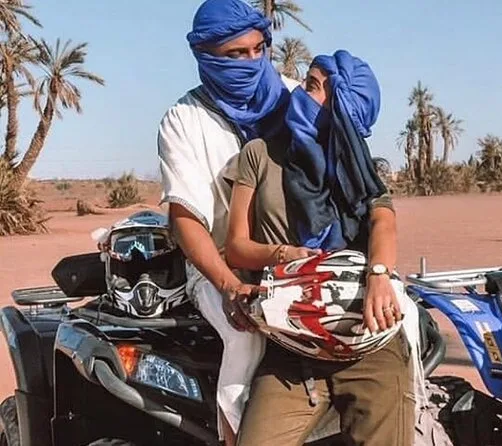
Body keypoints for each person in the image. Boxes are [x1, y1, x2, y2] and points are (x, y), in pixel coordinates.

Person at [226, 50, 416, 446]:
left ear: (340, 111)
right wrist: (284, 255)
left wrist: (379, 275)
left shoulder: (361, 171)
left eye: (311, 87)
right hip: (292, 343)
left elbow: (383, 222)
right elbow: (237, 248)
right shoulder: (260, 154)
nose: (299, 93)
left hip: (368, 342)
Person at [156, 0, 299, 444]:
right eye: (236, 54)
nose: (251, 63)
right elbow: (186, 218)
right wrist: (229, 285)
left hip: (298, 260)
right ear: (206, 56)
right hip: (219, 267)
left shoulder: (296, 99)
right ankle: (234, 435)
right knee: (247, 338)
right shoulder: (184, 121)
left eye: (258, 50)